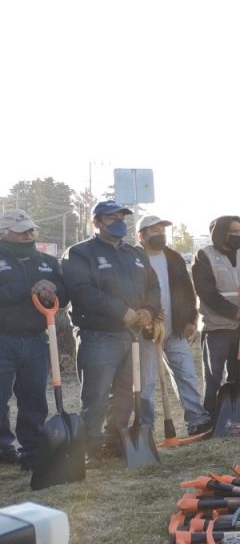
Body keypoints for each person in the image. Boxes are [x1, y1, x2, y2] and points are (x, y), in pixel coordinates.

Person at [62, 200, 160, 462]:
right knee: (96, 396)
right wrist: (121, 311)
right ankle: (90, 450)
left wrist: (149, 310)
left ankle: (116, 444)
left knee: (126, 394)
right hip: (98, 335)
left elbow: (153, 286)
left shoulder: (135, 254)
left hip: (133, 335)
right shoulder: (80, 253)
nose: (119, 221)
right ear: (96, 222)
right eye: (111, 218)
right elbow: (82, 291)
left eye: (121, 217)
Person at [0, 209, 66, 471]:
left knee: (34, 397)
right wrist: (26, 289)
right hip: (3, 338)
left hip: (37, 339)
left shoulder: (48, 262)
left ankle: (33, 449)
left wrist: (53, 288)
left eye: (30, 230)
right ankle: (3, 448)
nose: (29, 234)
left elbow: (65, 292)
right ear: (4, 233)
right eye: (22, 231)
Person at [136, 215, 212, 436]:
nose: (160, 234)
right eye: (154, 230)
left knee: (186, 374)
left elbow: (188, 292)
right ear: (141, 235)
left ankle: (197, 420)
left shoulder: (174, 258)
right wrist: (145, 317)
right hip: (146, 330)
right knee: (146, 383)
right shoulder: (133, 258)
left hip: (175, 328)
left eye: (162, 230)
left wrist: (191, 320)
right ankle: (145, 430)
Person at [192, 215, 240, 419]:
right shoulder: (204, 256)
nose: (237, 235)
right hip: (217, 327)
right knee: (213, 376)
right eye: (232, 231)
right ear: (220, 233)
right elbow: (206, 292)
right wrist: (233, 311)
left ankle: (234, 414)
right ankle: (211, 416)